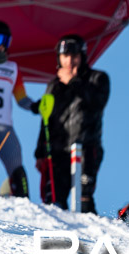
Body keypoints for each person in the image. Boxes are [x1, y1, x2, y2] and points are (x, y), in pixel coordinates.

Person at [34, 34, 110, 213]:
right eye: (65, 56)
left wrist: (74, 82)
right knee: (54, 204)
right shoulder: (54, 85)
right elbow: (46, 119)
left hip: (86, 148)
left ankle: (92, 237)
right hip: (57, 151)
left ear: (82, 57)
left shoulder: (97, 78)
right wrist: (40, 152)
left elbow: (98, 104)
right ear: (59, 58)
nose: (70, 61)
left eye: (74, 56)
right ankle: (57, 239)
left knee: (83, 198)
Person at [0, 20, 38, 197]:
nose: (2, 46)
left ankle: (22, 203)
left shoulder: (12, 68)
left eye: (6, 41)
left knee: (15, 160)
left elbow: (21, 98)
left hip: (3, 124)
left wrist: (35, 106)